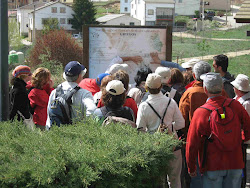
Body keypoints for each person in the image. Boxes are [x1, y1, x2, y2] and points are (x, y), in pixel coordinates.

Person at [186, 72, 250, 188]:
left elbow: (192, 142)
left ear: (205, 89)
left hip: (212, 164)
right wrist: (242, 139)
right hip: (235, 161)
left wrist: (191, 167)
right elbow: (248, 126)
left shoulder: (201, 112)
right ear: (222, 87)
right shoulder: (235, 105)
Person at [179, 61, 227, 188]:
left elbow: (182, 121)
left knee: (197, 179)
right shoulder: (221, 92)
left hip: (197, 143)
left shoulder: (189, 93)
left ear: (194, 76)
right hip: (220, 142)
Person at [137, 73, 185, 188]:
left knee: (158, 182)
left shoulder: (144, 106)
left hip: (154, 148)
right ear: (160, 86)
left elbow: (140, 129)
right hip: (172, 145)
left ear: (147, 87)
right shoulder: (171, 102)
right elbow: (181, 123)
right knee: (175, 181)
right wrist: (169, 127)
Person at [46, 61, 96, 129]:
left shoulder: (55, 92)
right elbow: (92, 110)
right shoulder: (84, 94)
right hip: (76, 134)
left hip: (57, 133)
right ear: (79, 76)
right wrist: (86, 127)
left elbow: (49, 114)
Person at [231, 74, 250, 188]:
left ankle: (241, 184)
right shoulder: (238, 99)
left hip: (242, 137)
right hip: (238, 136)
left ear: (238, 89)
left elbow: (246, 122)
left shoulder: (246, 103)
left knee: (241, 163)